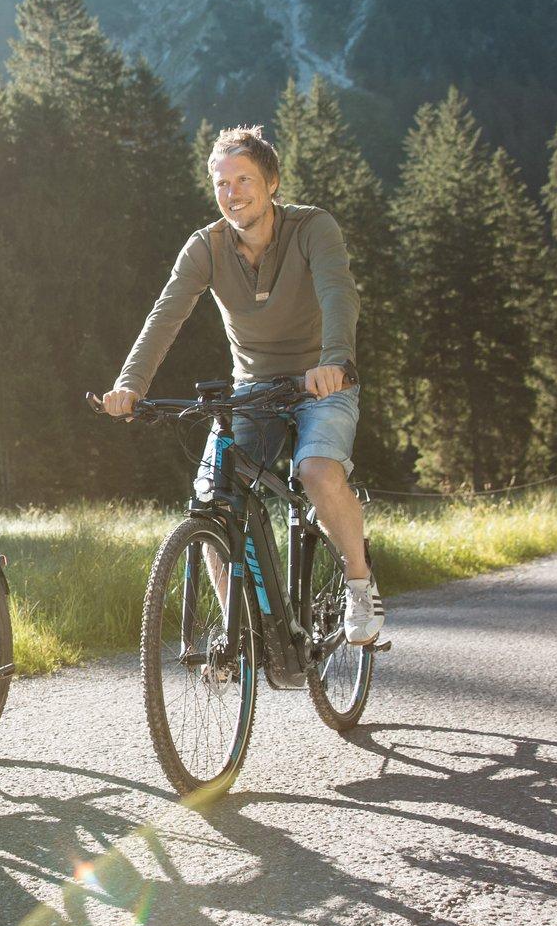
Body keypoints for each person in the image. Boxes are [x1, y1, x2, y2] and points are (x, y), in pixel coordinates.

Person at [97, 125, 384, 645]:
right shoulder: (205, 246)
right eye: (222, 182)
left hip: (322, 381)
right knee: (212, 495)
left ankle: (360, 584)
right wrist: (129, 384)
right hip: (253, 387)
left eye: (244, 179)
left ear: (271, 182)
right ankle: (241, 631)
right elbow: (166, 316)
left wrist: (334, 361)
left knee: (317, 472)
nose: (233, 193)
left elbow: (339, 293)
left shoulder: (313, 228)